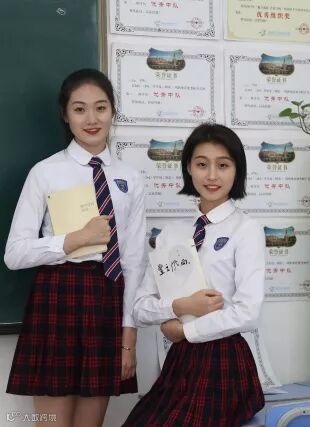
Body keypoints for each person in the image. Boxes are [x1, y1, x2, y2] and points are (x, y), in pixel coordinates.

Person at [4, 69, 146, 427]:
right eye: (80, 109)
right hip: (58, 297)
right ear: (65, 115)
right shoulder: (45, 172)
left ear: (113, 111)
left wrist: (128, 336)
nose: (91, 119)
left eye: (101, 107)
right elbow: (15, 253)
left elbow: (134, 261)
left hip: (107, 298)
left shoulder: (130, 178)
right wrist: (74, 240)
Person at [123, 123, 265, 427]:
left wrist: (186, 331)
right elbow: (140, 308)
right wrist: (181, 307)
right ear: (188, 168)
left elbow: (248, 313)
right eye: (202, 164)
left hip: (224, 362)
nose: (211, 175)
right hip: (180, 362)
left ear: (237, 170)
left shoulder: (246, 230)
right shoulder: (172, 233)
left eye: (223, 165)